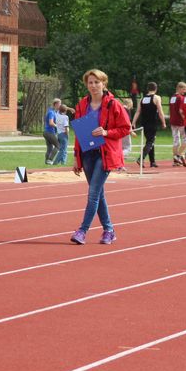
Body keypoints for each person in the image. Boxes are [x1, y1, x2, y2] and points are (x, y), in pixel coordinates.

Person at [69, 69, 131, 245]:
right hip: (87, 153)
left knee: (93, 194)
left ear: (104, 83)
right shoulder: (82, 105)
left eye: (97, 82)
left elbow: (125, 128)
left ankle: (82, 231)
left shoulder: (113, 104)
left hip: (105, 154)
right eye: (90, 82)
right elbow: (79, 132)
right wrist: (76, 157)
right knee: (98, 194)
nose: (94, 85)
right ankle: (109, 230)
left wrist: (106, 132)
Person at [133, 82, 167, 168]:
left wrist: (133, 122)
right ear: (156, 89)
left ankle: (152, 162)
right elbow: (160, 111)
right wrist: (163, 122)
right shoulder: (157, 98)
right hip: (152, 123)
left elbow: (138, 112)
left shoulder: (142, 98)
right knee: (150, 141)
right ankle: (141, 158)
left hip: (144, 123)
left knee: (150, 141)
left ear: (147, 89)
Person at [169, 81, 186, 167]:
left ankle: (175, 161)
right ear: (179, 88)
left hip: (173, 121)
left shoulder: (172, 97)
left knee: (176, 141)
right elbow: (182, 111)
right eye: (184, 89)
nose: (185, 91)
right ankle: (178, 156)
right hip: (180, 122)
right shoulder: (181, 98)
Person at [44, 98, 61, 165]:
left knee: (50, 147)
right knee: (58, 146)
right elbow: (51, 123)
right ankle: (50, 160)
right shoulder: (51, 112)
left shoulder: (51, 111)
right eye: (59, 104)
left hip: (46, 132)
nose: (60, 105)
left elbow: (64, 108)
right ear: (56, 104)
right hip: (49, 132)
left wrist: (70, 109)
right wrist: (57, 126)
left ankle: (47, 161)